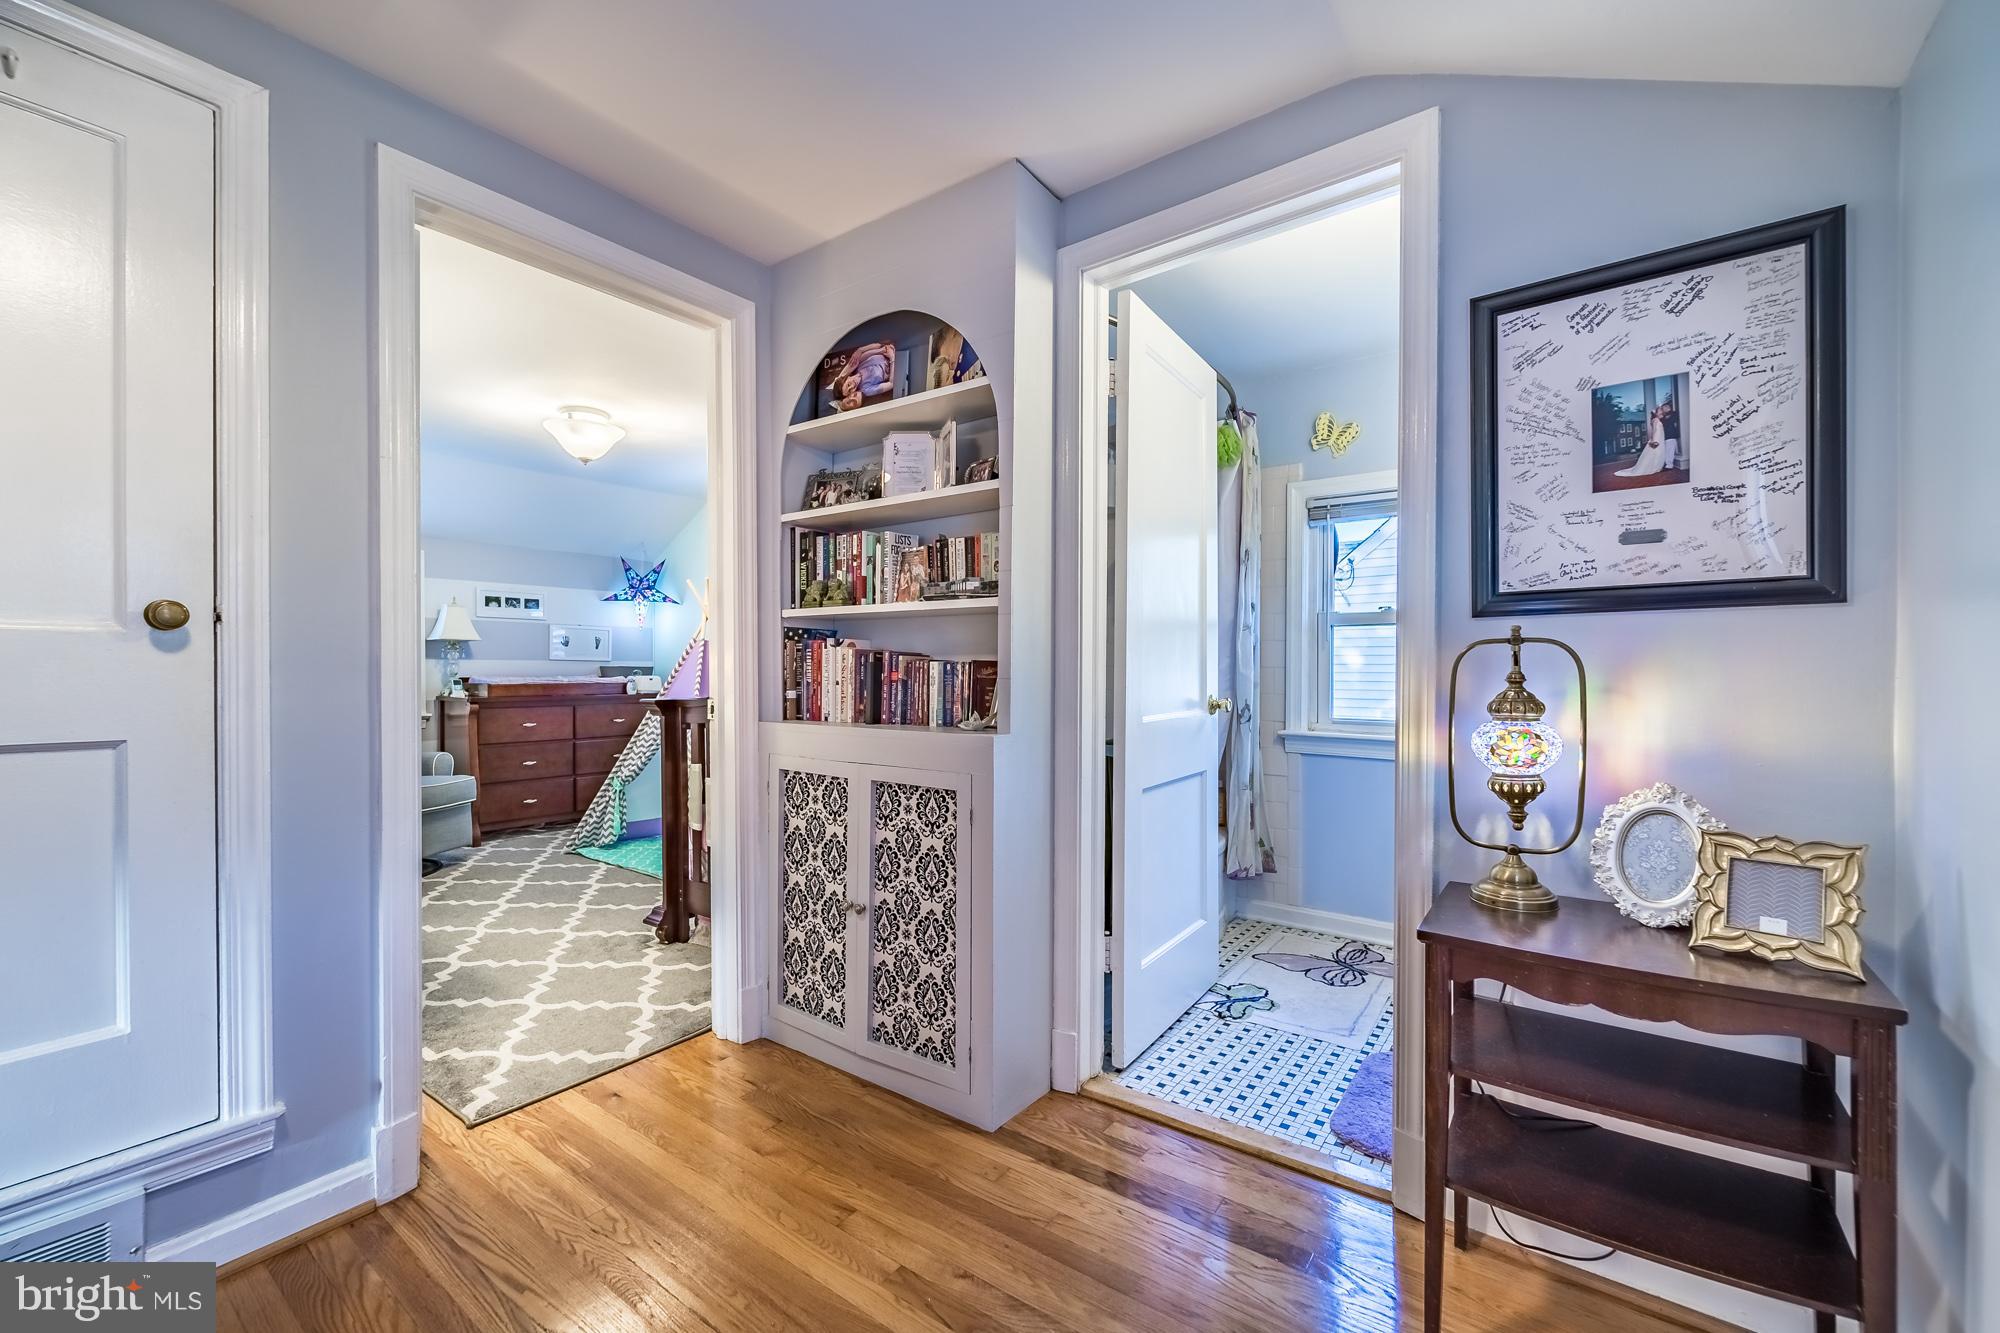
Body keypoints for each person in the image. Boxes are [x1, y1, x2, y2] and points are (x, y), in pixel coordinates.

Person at [1615, 404, 1669, 478]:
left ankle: (1656, 467)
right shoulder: (1655, 420)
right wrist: (1654, 440)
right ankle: (1653, 467)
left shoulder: (1657, 420)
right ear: (1656, 413)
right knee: (1656, 453)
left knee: (1657, 453)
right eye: (1660, 410)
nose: (1661, 411)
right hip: (1657, 438)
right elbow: (1654, 431)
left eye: (1661, 410)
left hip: (1659, 437)